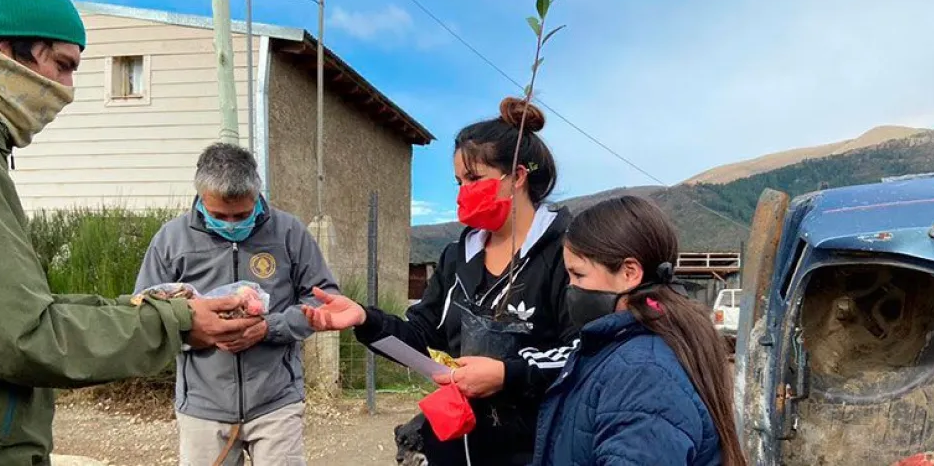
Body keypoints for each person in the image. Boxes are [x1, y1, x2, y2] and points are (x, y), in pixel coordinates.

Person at [0, 0, 262, 464]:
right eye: (62, 66)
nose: (68, 91)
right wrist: (176, 321)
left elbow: (26, 313)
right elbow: (24, 336)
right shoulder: (170, 236)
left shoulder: (287, 233)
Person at [304, 97, 577, 465]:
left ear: (517, 177)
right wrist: (364, 319)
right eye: (459, 182)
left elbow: (582, 352)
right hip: (458, 441)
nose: (463, 191)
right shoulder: (457, 257)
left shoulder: (568, 254)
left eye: (474, 179)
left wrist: (507, 374)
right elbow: (422, 336)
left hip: (538, 446)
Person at [135, 143, 339, 466]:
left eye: (242, 215)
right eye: (219, 215)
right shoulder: (170, 240)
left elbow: (324, 297)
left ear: (257, 194)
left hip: (276, 402)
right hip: (203, 406)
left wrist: (269, 328)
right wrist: (196, 329)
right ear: (201, 198)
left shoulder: (289, 233)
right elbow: (145, 313)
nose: (231, 224)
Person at [531, 196, 746, 466]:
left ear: (630, 273)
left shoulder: (643, 371)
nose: (570, 288)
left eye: (579, 275)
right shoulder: (631, 348)